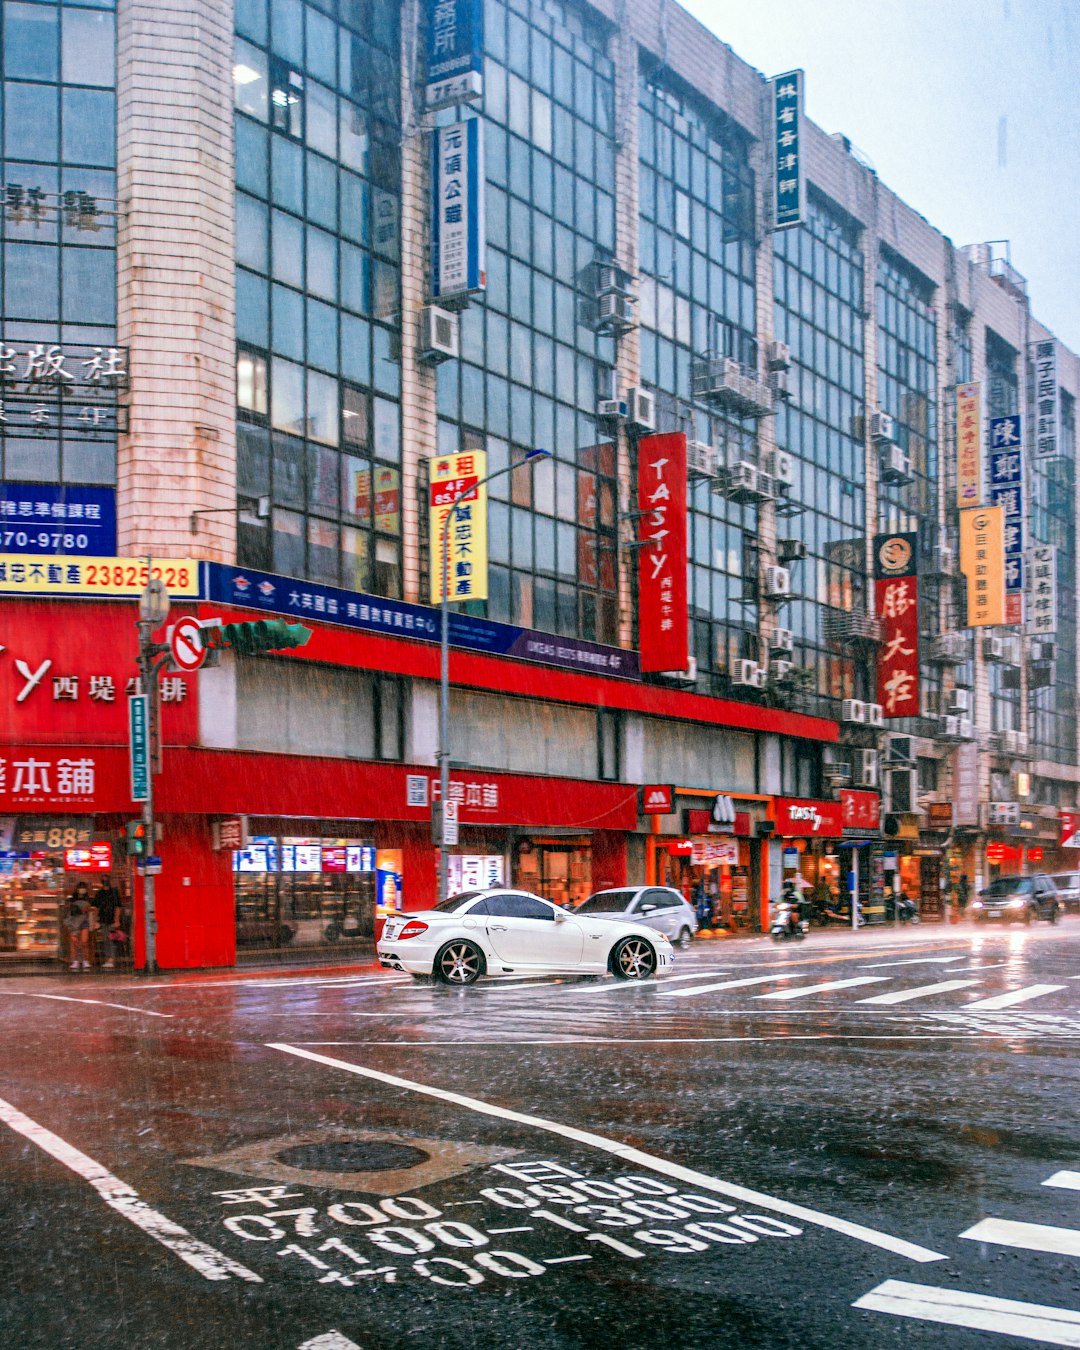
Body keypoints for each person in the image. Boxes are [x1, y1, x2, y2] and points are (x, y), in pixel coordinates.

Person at [94, 875, 124, 969]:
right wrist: (96, 920)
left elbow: (117, 907)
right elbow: (96, 908)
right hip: (103, 920)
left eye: (106, 880)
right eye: (103, 881)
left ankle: (111, 959)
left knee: (110, 940)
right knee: (106, 940)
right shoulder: (100, 893)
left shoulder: (114, 892)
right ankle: (108, 959)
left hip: (111, 920)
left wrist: (116, 919)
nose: (105, 882)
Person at [66, 881, 93, 970]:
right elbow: (69, 911)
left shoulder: (89, 899)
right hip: (74, 922)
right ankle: (75, 960)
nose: (82, 889)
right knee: (74, 942)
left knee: (84, 942)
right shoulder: (72, 899)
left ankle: (85, 960)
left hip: (84, 922)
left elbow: (92, 910)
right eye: (80, 887)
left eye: (83, 887)